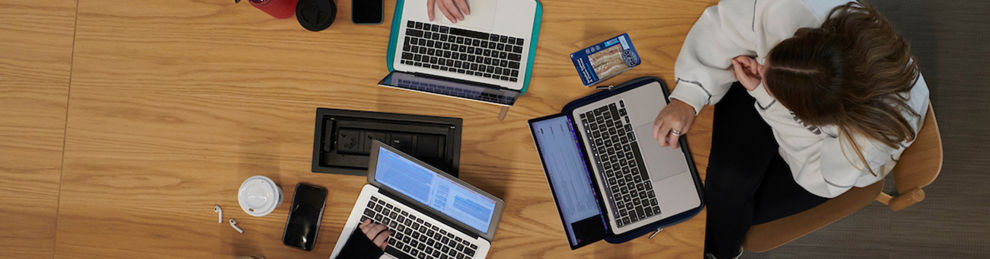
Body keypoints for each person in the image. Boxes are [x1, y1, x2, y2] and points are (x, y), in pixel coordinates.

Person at [651, 0, 930, 258]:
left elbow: (814, 176)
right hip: (814, 101)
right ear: (804, 36)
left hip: (823, 166)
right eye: (771, 57)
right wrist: (687, 96)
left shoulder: (866, 141)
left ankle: (720, 251)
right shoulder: (794, 5)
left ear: (808, 115)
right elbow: (726, 26)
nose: (761, 66)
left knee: (723, 195)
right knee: (726, 184)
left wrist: (766, 97)